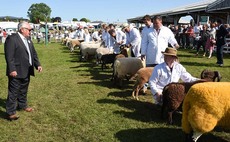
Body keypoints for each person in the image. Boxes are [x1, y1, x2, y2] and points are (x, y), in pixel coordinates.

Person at [4, 21, 43, 121]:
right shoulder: (12, 39)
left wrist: (37, 64)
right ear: (22, 29)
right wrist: (12, 69)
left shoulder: (28, 39)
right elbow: (9, 56)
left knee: (23, 90)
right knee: (13, 92)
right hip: (16, 71)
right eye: (29, 29)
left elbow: (33, 53)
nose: (31, 31)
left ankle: (22, 105)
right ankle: (11, 112)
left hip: (27, 70)